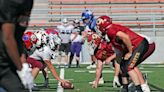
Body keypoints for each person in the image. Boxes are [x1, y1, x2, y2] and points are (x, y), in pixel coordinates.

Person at [96, 15, 153, 92]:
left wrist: (130, 52)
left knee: (129, 67)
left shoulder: (110, 30)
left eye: (99, 25)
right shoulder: (110, 34)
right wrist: (116, 75)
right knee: (123, 66)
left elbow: (125, 37)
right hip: (136, 46)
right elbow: (119, 53)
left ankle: (139, 89)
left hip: (139, 44)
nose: (98, 27)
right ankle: (125, 88)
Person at [0, 0, 34, 92]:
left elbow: (18, 35)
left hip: (8, 58)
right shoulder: (9, 2)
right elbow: (7, 38)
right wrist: (21, 69)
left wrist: (24, 64)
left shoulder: (28, 2)